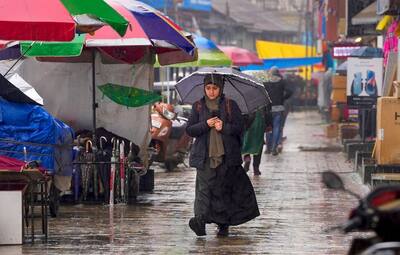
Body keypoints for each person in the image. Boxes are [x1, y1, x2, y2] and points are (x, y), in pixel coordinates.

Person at [186, 73, 260, 237]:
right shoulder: (198, 106)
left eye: (215, 88)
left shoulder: (230, 105)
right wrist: (205, 124)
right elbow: (190, 129)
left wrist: (224, 127)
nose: (211, 92)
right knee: (203, 191)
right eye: (208, 88)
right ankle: (199, 221)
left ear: (220, 89)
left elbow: (240, 128)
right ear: (204, 88)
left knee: (222, 191)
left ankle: (223, 223)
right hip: (205, 157)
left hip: (226, 157)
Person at [263, 66, 293, 156]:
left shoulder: (266, 82)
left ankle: (268, 148)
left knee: (268, 128)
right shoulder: (282, 82)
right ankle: (274, 148)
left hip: (269, 109)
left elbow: (263, 94)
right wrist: (283, 98)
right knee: (276, 128)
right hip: (279, 108)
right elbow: (290, 92)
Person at [241, 106, 269, 175]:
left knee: (246, 143)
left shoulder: (243, 99)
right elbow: (268, 113)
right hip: (259, 124)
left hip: (247, 123)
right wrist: (269, 124)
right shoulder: (262, 99)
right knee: (258, 145)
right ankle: (256, 168)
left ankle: (247, 158)